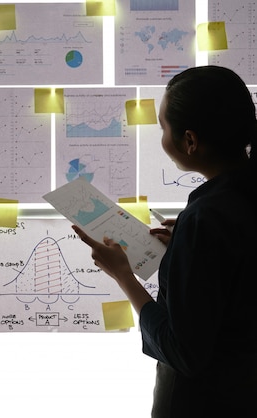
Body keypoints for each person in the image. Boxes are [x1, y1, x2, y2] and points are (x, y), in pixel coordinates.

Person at [73, 65, 257, 417]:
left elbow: (182, 350)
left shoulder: (207, 217)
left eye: (162, 127)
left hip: (202, 403)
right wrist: (184, 247)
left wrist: (123, 275)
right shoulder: (239, 199)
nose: (162, 137)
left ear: (190, 140)